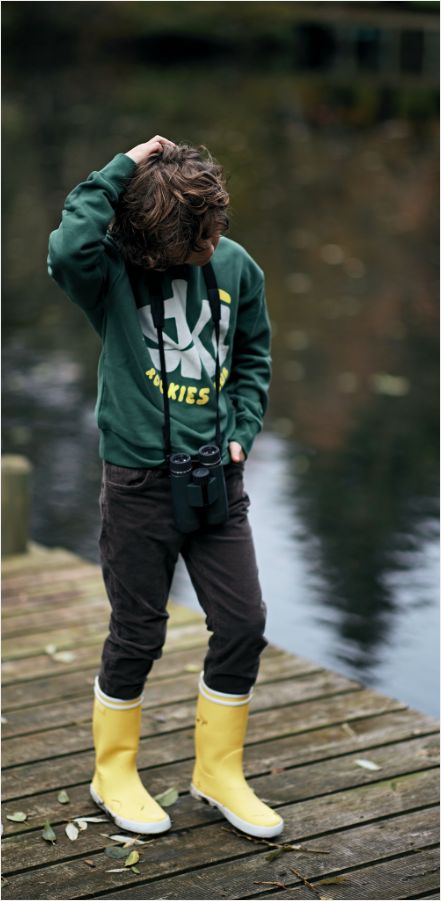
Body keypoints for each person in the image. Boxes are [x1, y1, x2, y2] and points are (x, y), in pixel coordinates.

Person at [47, 135, 284, 839]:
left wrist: (243, 425)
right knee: (138, 633)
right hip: (138, 484)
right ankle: (113, 771)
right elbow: (67, 248)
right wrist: (122, 167)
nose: (212, 245)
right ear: (154, 244)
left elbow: (252, 353)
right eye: (196, 238)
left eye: (216, 229)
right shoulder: (109, 275)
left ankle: (219, 771)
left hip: (218, 478)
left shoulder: (237, 267)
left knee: (243, 624)